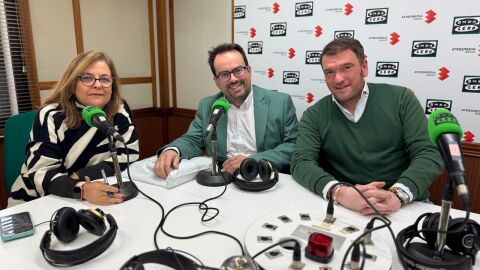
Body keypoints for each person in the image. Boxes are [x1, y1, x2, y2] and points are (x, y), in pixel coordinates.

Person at [291, 38, 443, 215]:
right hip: (345, 207)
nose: (338, 79)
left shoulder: (401, 99)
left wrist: (397, 195)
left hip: (404, 205)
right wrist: (339, 192)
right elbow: (301, 162)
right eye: (330, 72)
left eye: (346, 68)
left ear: (364, 66)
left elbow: (429, 153)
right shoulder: (314, 115)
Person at [9, 51, 139, 206]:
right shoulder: (51, 116)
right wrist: (82, 189)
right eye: (87, 78)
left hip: (94, 192)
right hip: (37, 199)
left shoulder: (119, 110)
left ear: (112, 86)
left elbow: (128, 154)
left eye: (105, 79)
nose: (97, 84)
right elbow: (40, 174)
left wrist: (79, 176)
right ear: (72, 84)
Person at [154, 43, 298, 178]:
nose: (233, 79)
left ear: (249, 71)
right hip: (223, 179)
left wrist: (252, 161)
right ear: (216, 81)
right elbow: (193, 139)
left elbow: (293, 145)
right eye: (224, 74)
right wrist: (173, 150)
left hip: (263, 177)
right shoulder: (207, 105)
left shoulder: (280, 103)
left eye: (238, 70)